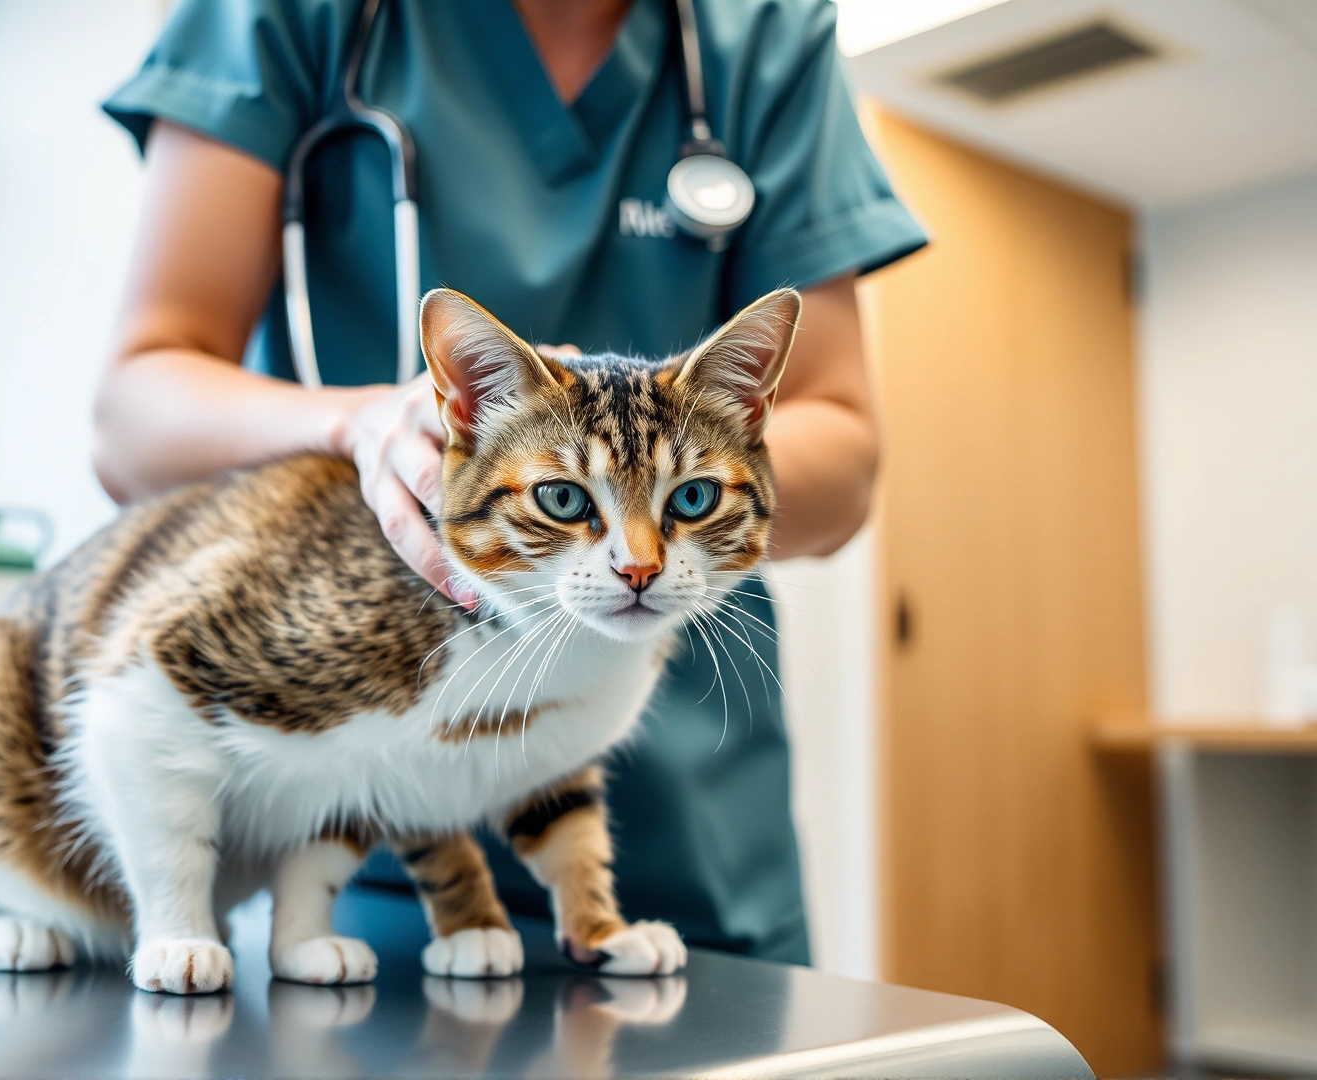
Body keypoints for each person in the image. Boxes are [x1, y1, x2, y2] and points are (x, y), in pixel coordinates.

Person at [96, 0, 926, 964]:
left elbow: (844, 444)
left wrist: (704, 471)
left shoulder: (762, 35)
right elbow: (132, 416)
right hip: (367, 815)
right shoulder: (288, 17)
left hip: (691, 836)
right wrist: (360, 424)